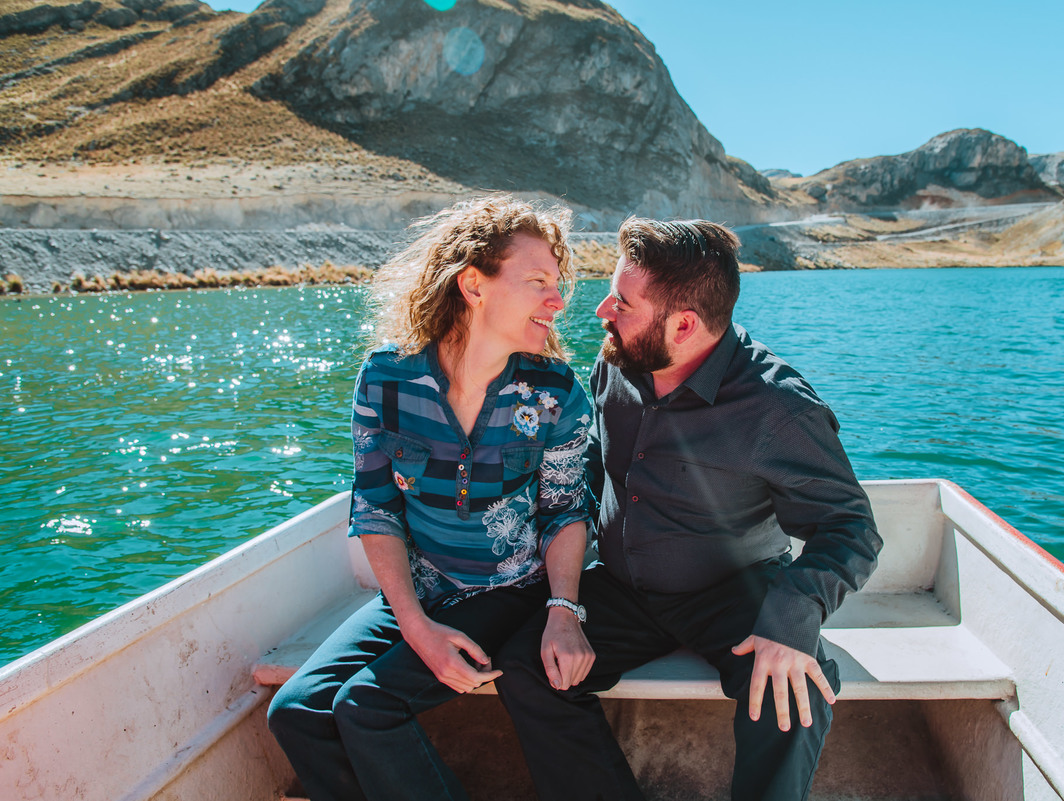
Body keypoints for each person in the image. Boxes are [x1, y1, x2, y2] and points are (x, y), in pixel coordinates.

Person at [495, 217, 883, 800]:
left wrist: (794, 615)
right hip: (621, 587)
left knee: (792, 688)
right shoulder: (617, 361)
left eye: (622, 302)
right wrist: (563, 600)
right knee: (527, 666)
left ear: (683, 324)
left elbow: (850, 528)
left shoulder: (778, 408)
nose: (603, 311)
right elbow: (588, 473)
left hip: (732, 591)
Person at [267, 195, 596, 801]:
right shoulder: (386, 381)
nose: (558, 301)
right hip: (420, 591)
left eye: (559, 284)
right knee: (297, 713)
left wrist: (563, 609)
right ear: (473, 284)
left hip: (511, 590)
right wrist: (414, 622)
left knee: (367, 705)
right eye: (538, 282)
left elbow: (566, 509)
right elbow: (375, 508)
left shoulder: (554, 391)